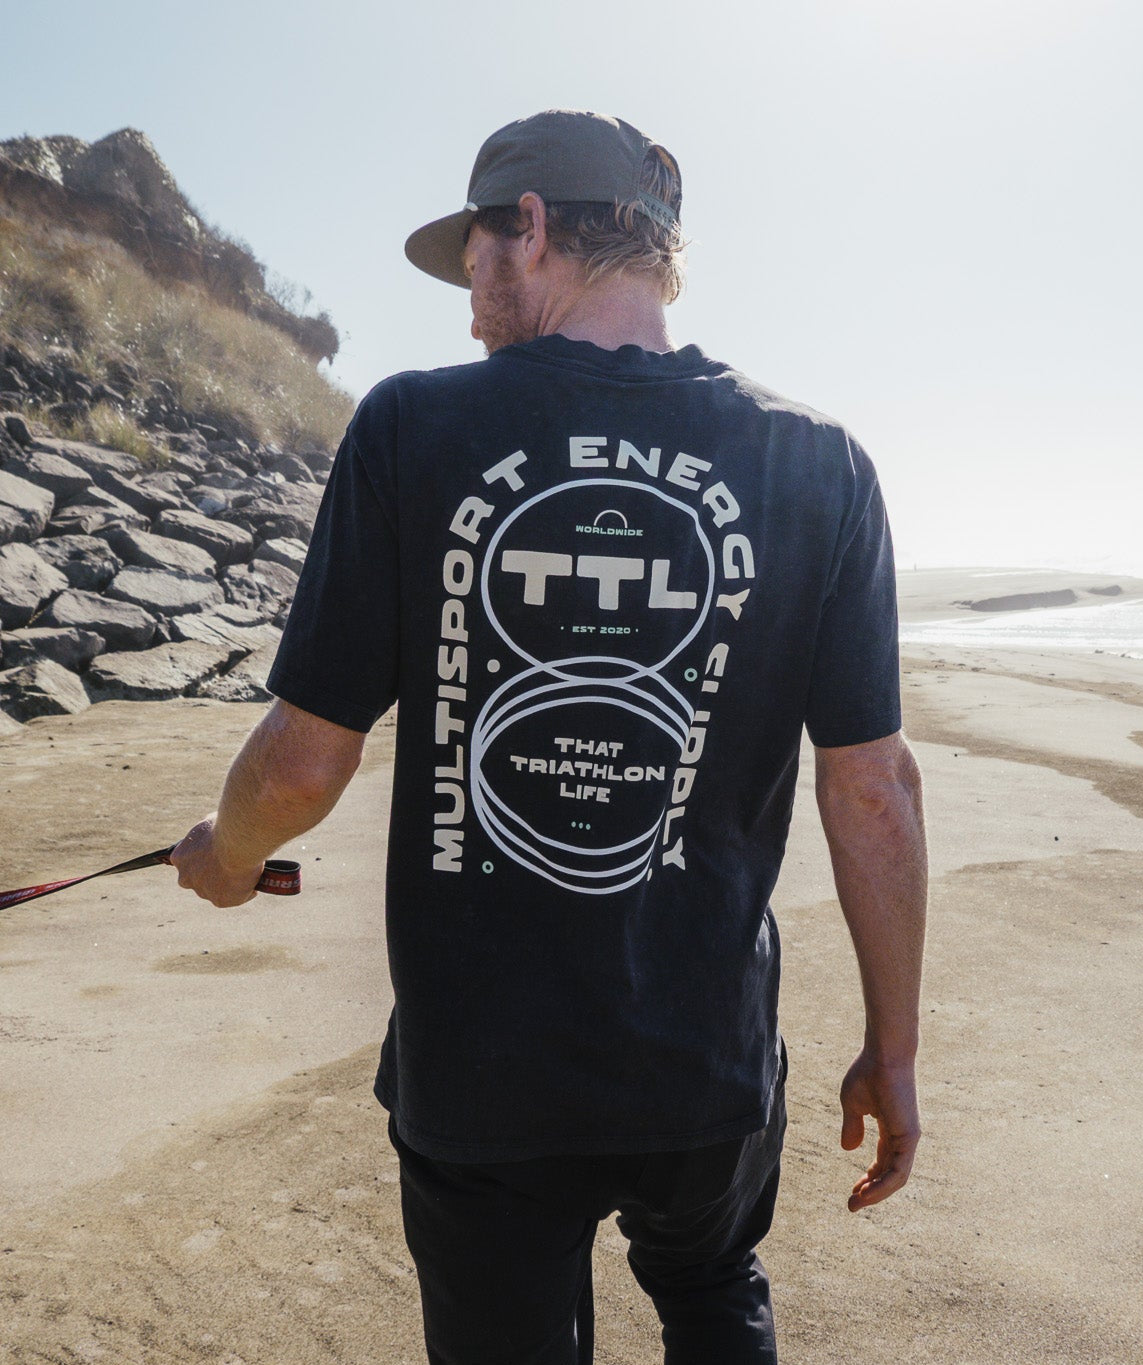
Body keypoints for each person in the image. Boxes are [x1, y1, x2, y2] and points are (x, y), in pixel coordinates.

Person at [171, 109, 927, 1365]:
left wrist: (229, 855)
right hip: (706, 1060)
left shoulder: (413, 428)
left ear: (527, 227)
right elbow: (874, 791)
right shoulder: (818, 461)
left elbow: (303, 761)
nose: (468, 300)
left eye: (471, 255)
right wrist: (892, 1054)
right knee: (711, 1287)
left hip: (485, 1070)